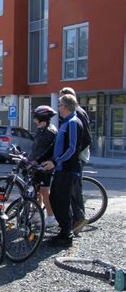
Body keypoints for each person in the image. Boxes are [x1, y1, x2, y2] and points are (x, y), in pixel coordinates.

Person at [42, 94, 84, 247]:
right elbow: (57, 146)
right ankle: (64, 230)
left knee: (63, 202)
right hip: (61, 168)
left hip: (68, 169)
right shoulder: (65, 122)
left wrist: (55, 161)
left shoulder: (73, 122)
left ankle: (66, 234)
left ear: (65, 106)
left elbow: (72, 148)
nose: (58, 108)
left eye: (59, 105)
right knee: (54, 200)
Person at [59, 87, 92, 235]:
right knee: (73, 188)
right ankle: (77, 220)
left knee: (74, 189)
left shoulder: (77, 113)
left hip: (78, 156)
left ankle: (79, 220)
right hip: (76, 155)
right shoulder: (78, 112)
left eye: (62, 102)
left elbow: (87, 138)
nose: (60, 105)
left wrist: (75, 153)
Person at [28, 105, 58, 228]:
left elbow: (49, 151)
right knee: (37, 190)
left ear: (42, 118)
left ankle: (51, 217)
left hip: (44, 166)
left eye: (36, 118)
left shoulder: (50, 132)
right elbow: (36, 148)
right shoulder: (41, 129)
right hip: (37, 164)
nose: (34, 120)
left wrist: (37, 160)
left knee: (44, 191)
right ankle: (37, 213)